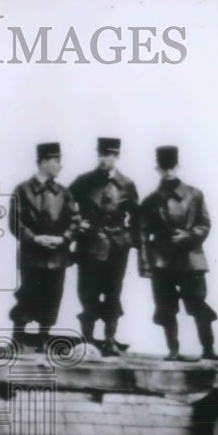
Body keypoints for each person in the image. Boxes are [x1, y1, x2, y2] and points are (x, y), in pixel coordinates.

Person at [138, 145, 218, 361]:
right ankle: (173, 350)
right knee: (165, 308)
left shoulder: (194, 195)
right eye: (164, 168)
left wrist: (188, 235)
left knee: (198, 304)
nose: (168, 172)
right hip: (162, 262)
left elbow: (205, 224)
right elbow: (143, 235)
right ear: (158, 169)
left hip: (191, 259)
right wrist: (146, 265)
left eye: (172, 167)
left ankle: (209, 350)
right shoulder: (151, 201)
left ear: (178, 166)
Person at [68, 137, 139, 355]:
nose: (103, 159)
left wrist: (128, 238)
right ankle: (87, 340)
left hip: (117, 249)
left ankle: (110, 340)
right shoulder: (83, 181)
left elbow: (137, 217)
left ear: (116, 156)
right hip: (89, 245)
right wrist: (78, 223)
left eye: (108, 155)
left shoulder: (126, 184)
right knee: (87, 293)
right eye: (100, 154)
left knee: (113, 293)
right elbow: (68, 205)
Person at [8, 142, 79, 348]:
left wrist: (63, 238)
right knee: (28, 294)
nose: (60, 166)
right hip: (32, 256)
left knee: (52, 297)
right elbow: (15, 221)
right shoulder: (22, 190)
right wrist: (33, 238)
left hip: (57, 256)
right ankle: (17, 339)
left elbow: (74, 220)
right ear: (44, 162)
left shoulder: (64, 193)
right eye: (57, 161)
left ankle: (43, 339)